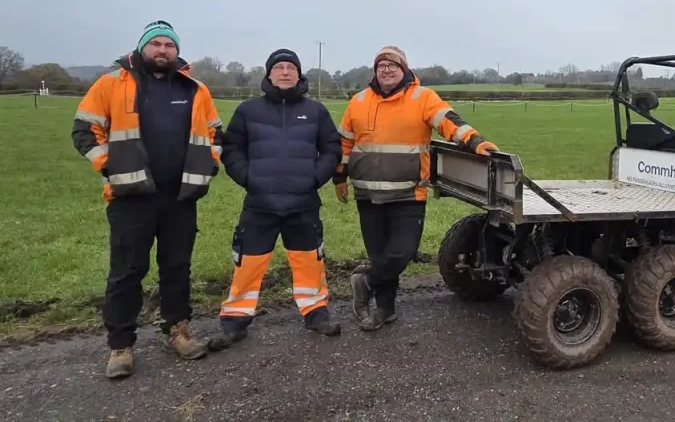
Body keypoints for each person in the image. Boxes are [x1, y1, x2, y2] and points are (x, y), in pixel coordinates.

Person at [71, 20, 222, 379]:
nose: (162, 50)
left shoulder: (195, 89)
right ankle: (120, 346)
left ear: (176, 51)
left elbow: (215, 133)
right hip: (130, 198)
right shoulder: (112, 83)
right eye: (155, 44)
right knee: (126, 272)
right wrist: (113, 168)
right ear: (142, 48)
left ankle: (178, 330)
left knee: (176, 267)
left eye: (169, 45)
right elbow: (84, 131)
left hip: (180, 197)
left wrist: (208, 166)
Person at [333, 46, 499, 331]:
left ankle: (365, 282)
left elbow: (450, 123)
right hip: (367, 193)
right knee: (379, 255)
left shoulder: (423, 98)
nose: (386, 70)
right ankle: (385, 309)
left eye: (392, 65)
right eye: (381, 65)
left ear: (404, 69)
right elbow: (344, 143)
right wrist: (339, 176)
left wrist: (475, 141)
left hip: (409, 193)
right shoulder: (358, 101)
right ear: (375, 71)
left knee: (402, 252)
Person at [207, 48, 342, 351]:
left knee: (310, 263)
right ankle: (235, 322)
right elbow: (232, 150)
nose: (284, 72)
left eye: (290, 67)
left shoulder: (316, 111)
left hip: (303, 203)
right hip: (260, 204)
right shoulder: (248, 110)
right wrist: (249, 178)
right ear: (269, 74)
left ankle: (316, 313)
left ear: (298, 74)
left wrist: (313, 179)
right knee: (248, 264)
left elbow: (332, 148)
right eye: (278, 67)